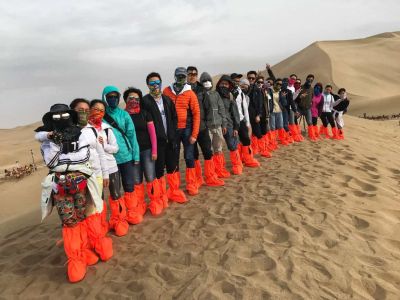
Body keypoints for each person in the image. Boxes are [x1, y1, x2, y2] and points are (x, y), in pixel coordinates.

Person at [36, 104, 112, 283]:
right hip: (60, 188)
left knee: (81, 216)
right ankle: (76, 259)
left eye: (64, 115)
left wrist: (67, 160)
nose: (61, 120)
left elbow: (83, 156)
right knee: (69, 222)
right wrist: (55, 141)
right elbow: (52, 162)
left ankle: (84, 250)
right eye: (56, 117)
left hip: (81, 184)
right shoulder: (48, 140)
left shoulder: (81, 133)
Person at [142, 72, 187, 205]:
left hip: (171, 140)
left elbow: (174, 117)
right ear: (148, 85)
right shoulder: (145, 102)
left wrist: (173, 134)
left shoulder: (167, 99)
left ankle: (174, 191)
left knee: (173, 167)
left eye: (157, 83)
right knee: (159, 170)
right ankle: (161, 196)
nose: (155, 86)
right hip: (157, 143)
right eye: (152, 83)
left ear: (161, 83)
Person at [102, 86, 140, 236]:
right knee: (115, 191)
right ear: (105, 98)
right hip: (111, 161)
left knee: (129, 186)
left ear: (118, 98)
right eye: (109, 96)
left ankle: (131, 213)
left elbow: (132, 135)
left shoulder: (124, 115)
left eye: (114, 96)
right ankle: (119, 219)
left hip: (127, 157)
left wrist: (136, 155)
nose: (112, 99)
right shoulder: (102, 116)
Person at [123, 87, 161, 216]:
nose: (133, 100)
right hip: (132, 154)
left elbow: (152, 134)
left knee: (150, 177)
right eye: (131, 98)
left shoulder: (145, 113)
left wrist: (154, 150)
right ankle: (140, 204)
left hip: (147, 150)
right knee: (137, 180)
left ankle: (155, 202)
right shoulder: (123, 115)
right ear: (126, 99)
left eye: (136, 98)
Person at [163, 67, 201, 196]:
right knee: (173, 158)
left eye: (183, 77)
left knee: (189, 156)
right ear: (174, 76)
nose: (181, 79)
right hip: (172, 130)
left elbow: (196, 114)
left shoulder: (190, 93)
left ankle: (191, 184)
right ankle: (174, 188)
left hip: (187, 128)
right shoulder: (166, 91)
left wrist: (194, 134)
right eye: (178, 76)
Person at [187, 67, 225, 185]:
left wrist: (207, 123)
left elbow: (208, 108)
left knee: (208, 152)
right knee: (193, 154)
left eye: (194, 74)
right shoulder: (183, 90)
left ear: (197, 75)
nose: (192, 76)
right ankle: (197, 180)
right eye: (190, 74)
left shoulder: (202, 90)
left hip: (202, 126)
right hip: (189, 127)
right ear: (187, 75)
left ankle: (210, 177)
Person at [88, 100, 120, 234]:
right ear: (90, 110)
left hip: (111, 167)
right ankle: (100, 227)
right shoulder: (85, 130)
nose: (98, 113)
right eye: (95, 109)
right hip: (95, 171)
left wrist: (104, 145)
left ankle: (118, 221)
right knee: (98, 200)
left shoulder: (107, 129)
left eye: (102, 111)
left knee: (116, 195)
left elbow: (116, 148)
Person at [218, 75, 259, 170]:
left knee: (246, 139)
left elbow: (245, 107)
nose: (237, 82)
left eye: (238, 81)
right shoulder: (224, 93)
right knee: (233, 143)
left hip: (240, 119)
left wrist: (248, 123)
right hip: (229, 122)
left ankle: (248, 159)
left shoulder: (239, 92)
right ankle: (237, 163)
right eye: (234, 80)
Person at [269, 78, 290, 146]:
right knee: (272, 127)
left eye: (280, 84)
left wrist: (283, 97)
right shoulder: (270, 91)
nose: (279, 85)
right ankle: (273, 141)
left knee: (280, 126)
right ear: (274, 83)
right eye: (277, 83)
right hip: (272, 112)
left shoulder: (281, 92)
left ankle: (282, 139)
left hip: (279, 111)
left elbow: (285, 104)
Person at [296, 74, 314, 140]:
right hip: (299, 108)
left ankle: (311, 135)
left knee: (309, 122)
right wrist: (300, 97)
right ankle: (293, 133)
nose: (310, 80)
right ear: (306, 79)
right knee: (293, 119)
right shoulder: (301, 87)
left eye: (311, 80)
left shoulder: (312, 89)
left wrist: (310, 103)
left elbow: (312, 97)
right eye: (309, 79)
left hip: (307, 109)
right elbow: (296, 97)